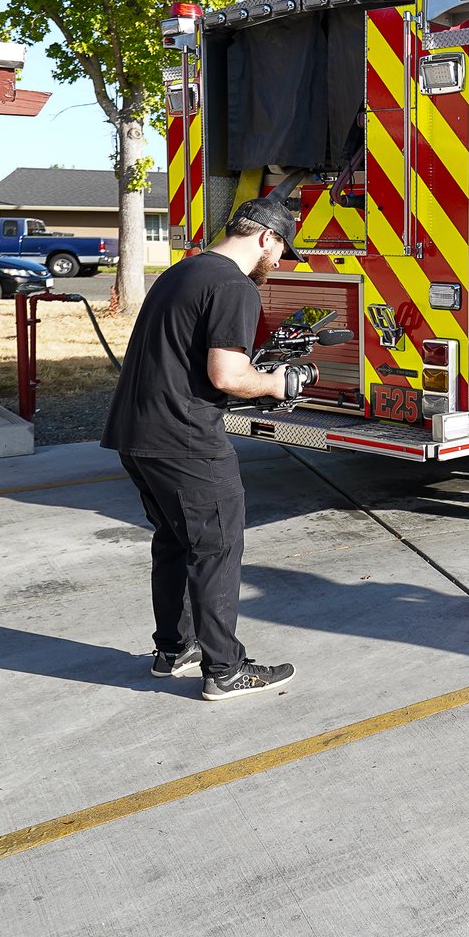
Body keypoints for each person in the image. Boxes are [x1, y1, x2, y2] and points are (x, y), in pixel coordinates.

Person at [102, 193, 316, 700]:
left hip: (137, 434)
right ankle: (226, 670)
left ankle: (176, 649)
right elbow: (227, 374)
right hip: (186, 438)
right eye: (282, 250)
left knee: (176, 541)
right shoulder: (234, 286)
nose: (279, 262)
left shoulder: (183, 271)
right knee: (217, 548)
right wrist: (277, 382)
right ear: (266, 237)